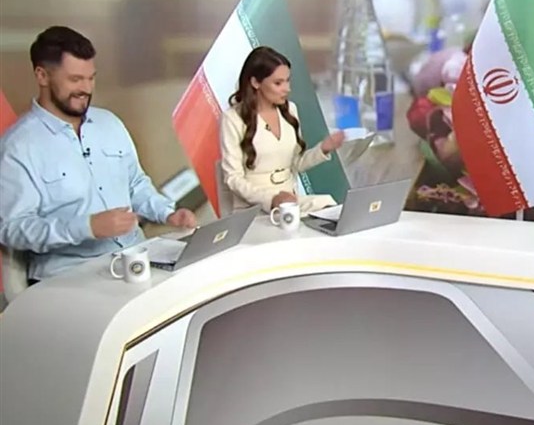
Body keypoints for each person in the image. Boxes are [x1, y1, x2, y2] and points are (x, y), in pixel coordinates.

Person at [0, 26, 196, 281]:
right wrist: (87, 227)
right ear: (42, 76)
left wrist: (167, 212)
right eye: (75, 79)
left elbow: (136, 185)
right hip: (71, 276)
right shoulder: (18, 146)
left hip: (136, 258)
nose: (86, 88)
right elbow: (12, 228)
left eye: (91, 78)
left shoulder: (110, 124)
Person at [220, 46, 344, 214]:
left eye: (287, 81)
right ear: (255, 82)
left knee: (330, 207)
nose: (287, 89)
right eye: (278, 83)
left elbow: (296, 164)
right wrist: (271, 199)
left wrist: (323, 148)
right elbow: (233, 178)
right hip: (253, 208)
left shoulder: (290, 110)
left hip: (291, 204)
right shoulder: (232, 119)